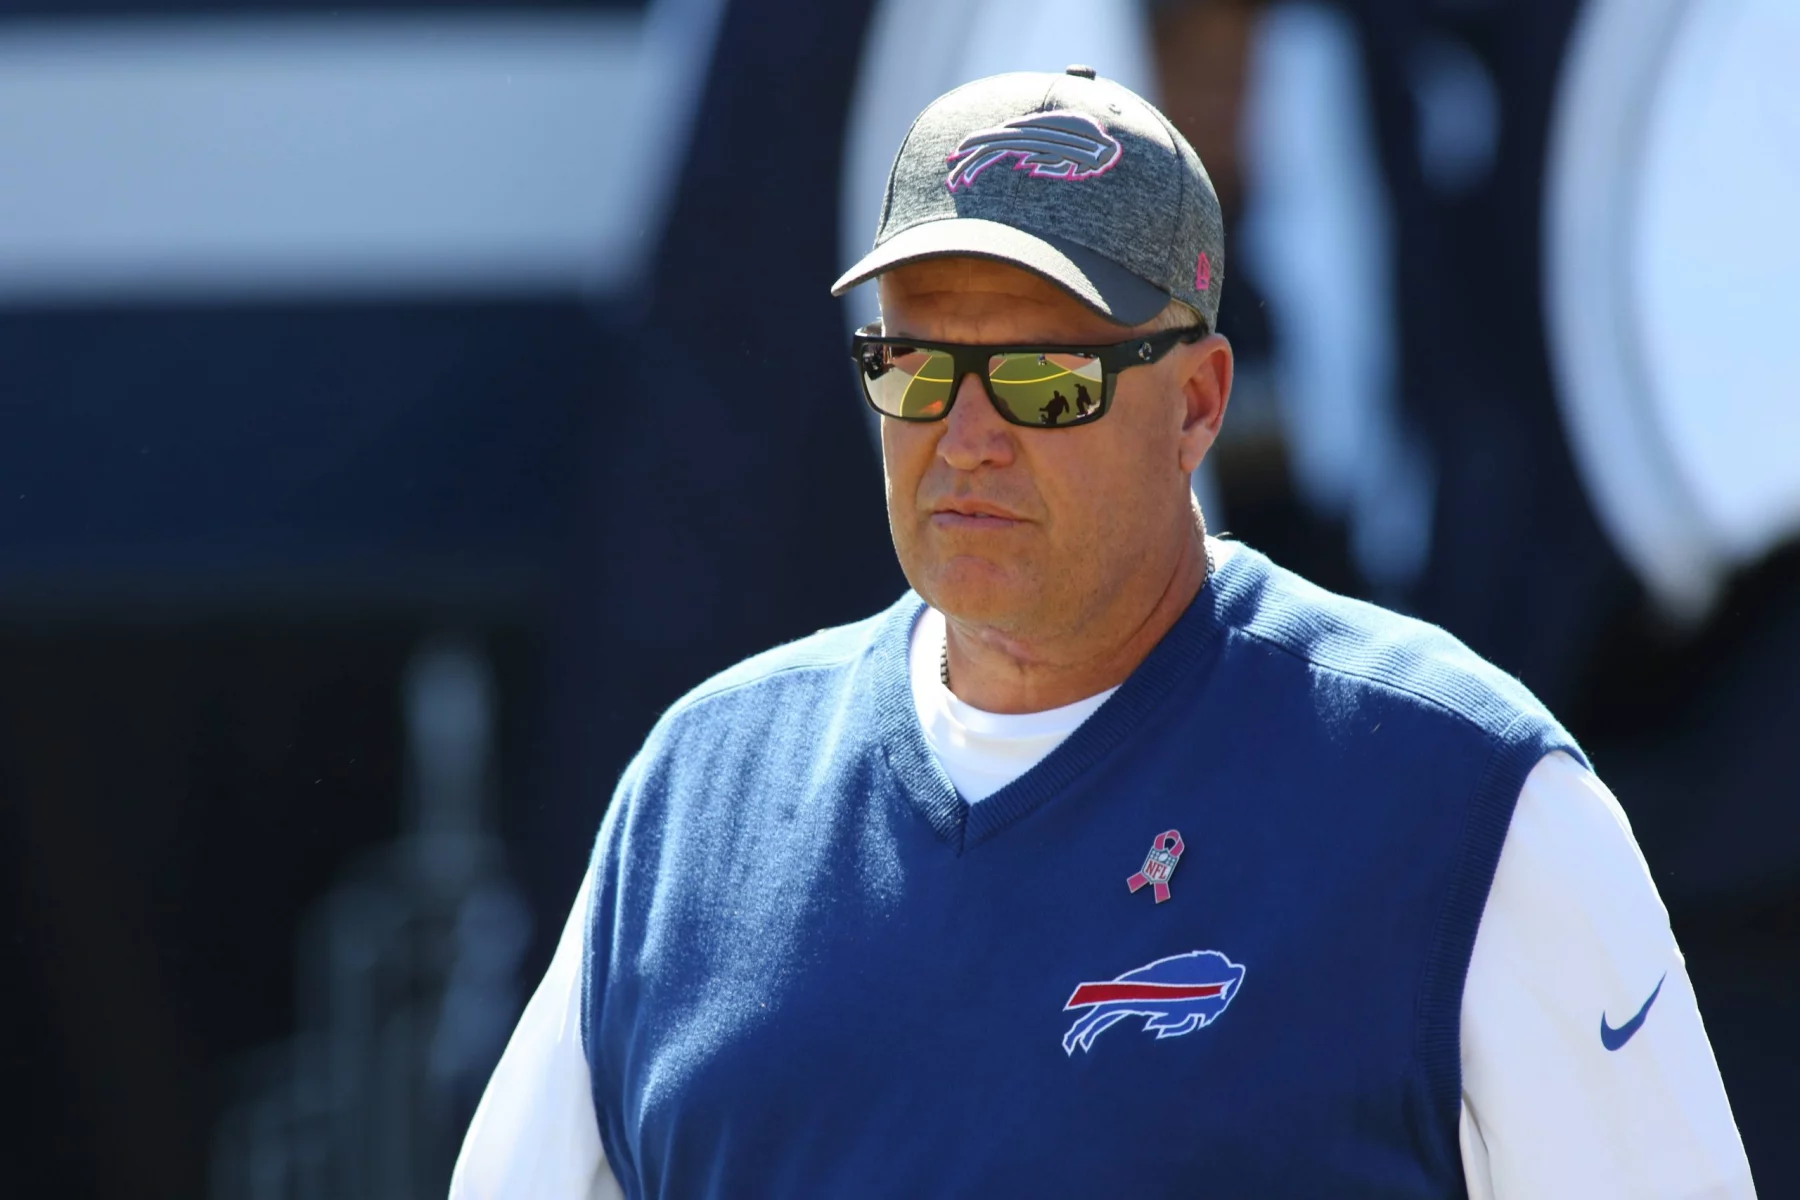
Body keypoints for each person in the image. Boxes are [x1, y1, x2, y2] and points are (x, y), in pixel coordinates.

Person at [450, 67, 1753, 1198]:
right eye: (912, 366)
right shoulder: (701, 793)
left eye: (1043, 377)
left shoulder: (1466, 792)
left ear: (1197, 401)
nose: (964, 437)